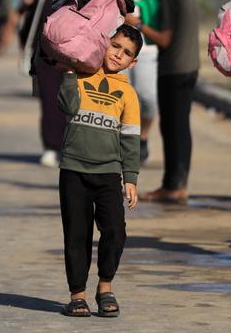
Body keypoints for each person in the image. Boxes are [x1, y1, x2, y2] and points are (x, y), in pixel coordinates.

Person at [57, 24, 142, 317]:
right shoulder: (80, 76)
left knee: (116, 231)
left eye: (126, 53)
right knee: (76, 235)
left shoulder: (128, 93)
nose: (118, 54)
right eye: (115, 46)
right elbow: (67, 106)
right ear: (104, 43)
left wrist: (130, 178)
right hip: (73, 169)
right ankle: (77, 295)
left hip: (108, 173)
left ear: (133, 62)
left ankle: (105, 286)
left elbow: (130, 139)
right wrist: (70, 73)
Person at [125, 0, 199, 203]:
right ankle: (178, 184)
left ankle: (172, 186)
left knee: (172, 129)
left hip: (173, 70)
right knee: (180, 128)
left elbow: (165, 40)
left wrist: (138, 24)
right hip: (189, 68)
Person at [101, 0, 165, 164]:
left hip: (147, 49)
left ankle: (143, 137)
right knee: (117, 98)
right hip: (117, 48)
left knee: (148, 97)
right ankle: (121, 144)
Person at [24, 0, 84, 168]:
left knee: (72, 105)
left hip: (71, 60)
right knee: (49, 104)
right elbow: (30, 24)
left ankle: (69, 148)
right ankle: (50, 147)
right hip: (46, 60)